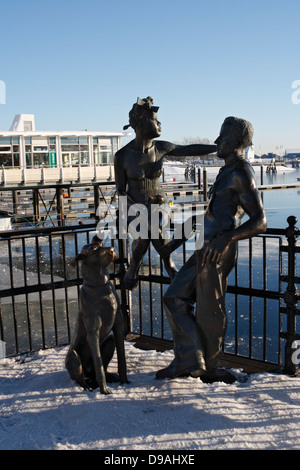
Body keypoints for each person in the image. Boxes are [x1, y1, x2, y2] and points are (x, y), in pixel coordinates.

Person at [156, 116, 267, 384]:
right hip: (206, 248)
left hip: (217, 251)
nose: (217, 141)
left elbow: (260, 221)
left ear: (239, 142)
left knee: (210, 310)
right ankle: (191, 358)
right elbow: (209, 216)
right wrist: (175, 241)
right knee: (174, 298)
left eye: (223, 137)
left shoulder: (241, 172)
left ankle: (208, 367)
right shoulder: (226, 171)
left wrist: (225, 240)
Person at [114, 97, 216, 290]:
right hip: (132, 206)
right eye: (156, 120)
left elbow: (189, 149)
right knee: (145, 230)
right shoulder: (122, 156)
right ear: (142, 123)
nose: (160, 124)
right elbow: (120, 190)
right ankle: (158, 264)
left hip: (160, 204)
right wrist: (135, 207)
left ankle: (138, 267)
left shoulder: (161, 147)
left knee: (153, 227)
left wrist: (218, 148)